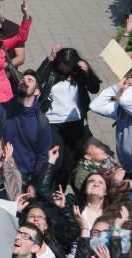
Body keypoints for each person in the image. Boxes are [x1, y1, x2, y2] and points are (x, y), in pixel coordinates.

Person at [89, 74, 132, 203]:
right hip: (129, 170)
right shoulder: (122, 109)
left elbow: (125, 101)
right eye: (125, 84)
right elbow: (95, 106)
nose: (125, 87)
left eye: (129, 85)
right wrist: (117, 87)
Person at [36, 46, 102, 183]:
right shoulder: (51, 71)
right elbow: (37, 79)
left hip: (75, 122)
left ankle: (60, 191)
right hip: (53, 122)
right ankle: (47, 187)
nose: (65, 68)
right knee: (56, 160)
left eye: (68, 65)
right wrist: (49, 60)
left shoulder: (78, 74)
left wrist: (87, 72)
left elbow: (94, 88)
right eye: (62, 64)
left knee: (69, 164)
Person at [0, 70, 52, 181]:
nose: (24, 81)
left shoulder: (42, 121)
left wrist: (33, 182)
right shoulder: (2, 109)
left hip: (24, 178)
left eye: (30, 80)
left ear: (37, 92)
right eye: (22, 79)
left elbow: (43, 155)